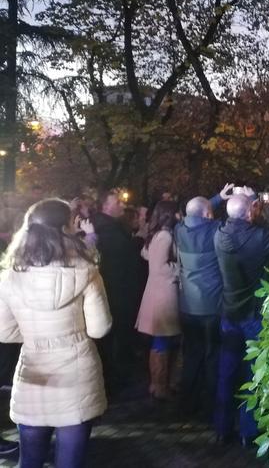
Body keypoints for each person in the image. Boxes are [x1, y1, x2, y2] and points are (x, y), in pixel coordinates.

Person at [0, 199, 112, 467]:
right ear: (66, 229)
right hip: (77, 375)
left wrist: (35, 336)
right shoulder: (87, 272)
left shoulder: (10, 278)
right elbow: (100, 328)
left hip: (34, 375)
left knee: (30, 460)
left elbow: (4, 331)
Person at [213, 190, 269, 446]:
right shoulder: (258, 237)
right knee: (252, 373)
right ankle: (249, 431)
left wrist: (223, 199)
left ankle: (221, 427)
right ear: (249, 213)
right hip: (253, 313)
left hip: (229, 313)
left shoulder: (219, 235)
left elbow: (210, 214)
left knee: (226, 372)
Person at [174, 185, 232, 416]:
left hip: (187, 306)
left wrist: (217, 198)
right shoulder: (214, 231)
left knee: (191, 354)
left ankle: (187, 402)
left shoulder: (179, 229)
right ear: (209, 216)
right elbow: (230, 220)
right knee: (212, 356)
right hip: (211, 306)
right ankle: (210, 406)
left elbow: (196, 211)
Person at [92, 191, 143, 392]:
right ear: (105, 206)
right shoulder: (108, 229)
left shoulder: (110, 226)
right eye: (117, 202)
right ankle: (116, 377)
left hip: (114, 289)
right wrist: (138, 240)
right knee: (117, 336)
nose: (122, 205)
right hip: (117, 291)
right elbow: (123, 257)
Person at [136, 201, 181, 400]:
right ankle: (160, 385)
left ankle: (156, 384)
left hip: (155, 292)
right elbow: (160, 267)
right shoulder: (165, 236)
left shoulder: (155, 235)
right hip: (163, 294)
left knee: (159, 341)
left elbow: (146, 255)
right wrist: (181, 270)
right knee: (162, 341)